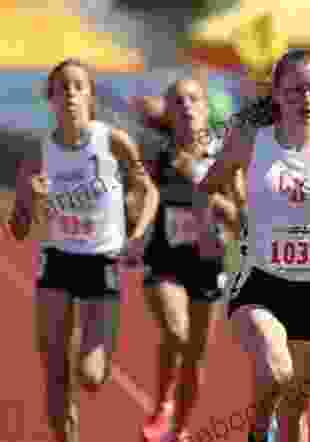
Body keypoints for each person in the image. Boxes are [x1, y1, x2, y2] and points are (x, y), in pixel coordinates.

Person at [200, 49, 310, 442]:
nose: (304, 99)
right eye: (293, 90)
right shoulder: (251, 142)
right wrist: (211, 225)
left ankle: (263, 429)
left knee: (298, 411)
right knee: (277, 372)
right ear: (276, 94)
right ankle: (257, 428)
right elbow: (207, 187)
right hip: (261, 283)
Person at [8, 58, 159, 442]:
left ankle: (82, 372)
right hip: (57, 263)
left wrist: (139, 232)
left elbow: (147, 188)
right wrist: (30, 199)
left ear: (90, 95)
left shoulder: (112, 141)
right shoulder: (38, 154)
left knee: (91, 376)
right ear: (51, 99)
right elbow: (19, 230)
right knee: (55, 368)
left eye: (79, 87)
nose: (70, 95)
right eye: (62, 88)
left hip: (101, 263)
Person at [138, 78, 235, 442]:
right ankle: (162, 403)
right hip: (164, 260)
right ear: (169, 111)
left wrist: (199, 180)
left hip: (207, 265)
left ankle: (179, 429)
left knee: (196, 353)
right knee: (176, 333)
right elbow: (138, 199)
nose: (187, 107)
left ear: (206, 109)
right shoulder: (157, 153)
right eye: (177, 101)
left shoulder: (224, 157)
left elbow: (239, 217)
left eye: (194, 100)